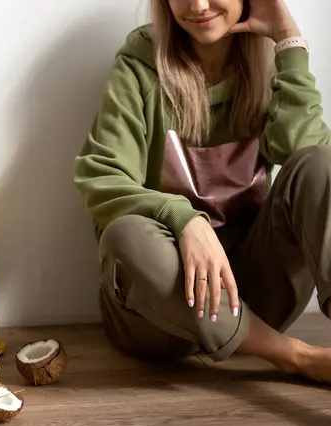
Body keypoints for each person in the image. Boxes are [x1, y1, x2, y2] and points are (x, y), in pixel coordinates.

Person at [73, 0, 331, 383]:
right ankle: (297, 356)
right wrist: (185, 220)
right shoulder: (140, 66)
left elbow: (310, 163)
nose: (197, 6)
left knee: (322, 163)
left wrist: (288, 41)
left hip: (254, 298)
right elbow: (102, 176)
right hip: (160, 318)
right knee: (123, 234)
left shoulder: (265, 65)